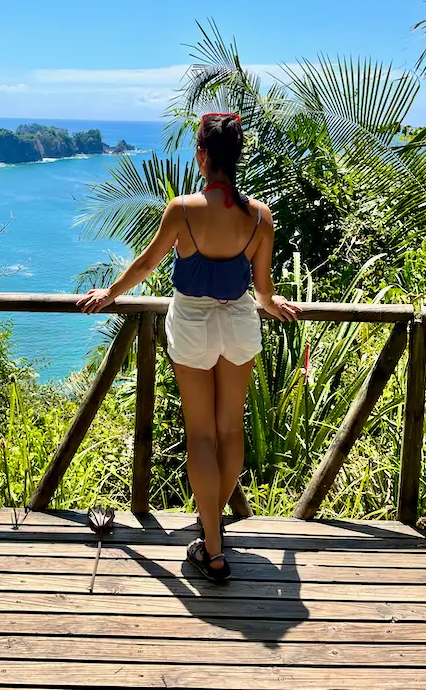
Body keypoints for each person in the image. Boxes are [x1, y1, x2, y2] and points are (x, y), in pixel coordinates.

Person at [77, 112, 301, 582]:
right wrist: (272, 300)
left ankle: (213, 548)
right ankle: (212, 528)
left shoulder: (182, 209)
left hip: (194, 323)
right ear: (237, 157)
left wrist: (110, 293)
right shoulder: (261, 217)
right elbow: (261, 290)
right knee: (229, 432)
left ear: (202, 155)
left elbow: (146, 262)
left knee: (200, 434)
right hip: (239, 321)